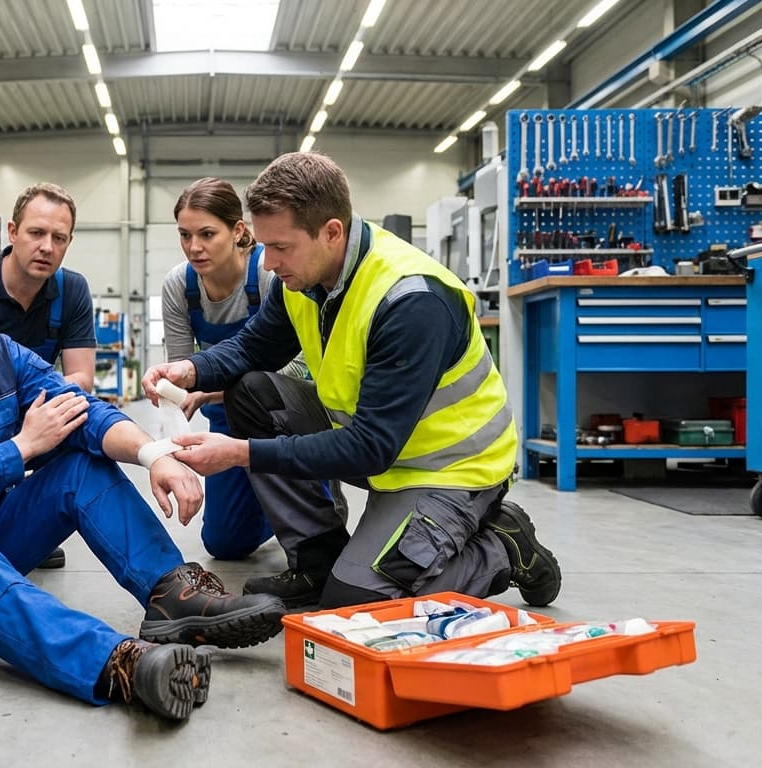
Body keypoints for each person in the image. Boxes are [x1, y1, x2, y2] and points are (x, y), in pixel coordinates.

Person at [0, 225, 285, 722]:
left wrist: (156, 455)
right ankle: (120, 663)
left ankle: (173, 595)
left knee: (78, 465)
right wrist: (21, 447)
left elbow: (84, 411)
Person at [143, 152, 562, 611]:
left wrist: (241, 453)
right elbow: (252, 349)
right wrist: (191, 370)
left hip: (450, 467)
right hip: (383, 451)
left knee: (363, 600)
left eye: (280, 248)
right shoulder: (300, 280)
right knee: (253, 393)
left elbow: (370, 445)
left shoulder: (411, 300)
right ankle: (317, 561)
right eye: (265, 248)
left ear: (332, 232)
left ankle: (503, 545)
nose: (268, 264)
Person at [162, 177, 307, 561]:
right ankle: (266, 511)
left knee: (305, 528)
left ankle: (311, 486)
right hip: (225, 420)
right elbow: (181, 370)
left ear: (238, 230)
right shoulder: (180, 286)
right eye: (185, 235)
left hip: (282, 415)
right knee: (225, 545)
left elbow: (302, 364)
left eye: (207, 234)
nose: (195, 247)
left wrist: (214, 390)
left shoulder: (269, 275)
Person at [0, 182, 97, 570]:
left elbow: (82, 375)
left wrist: (50, 407)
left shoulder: (72, 290)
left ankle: (34, 523)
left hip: (36, 404)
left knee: (81, 427)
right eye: (36, 233)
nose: (46, 246)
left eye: (58, 237)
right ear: (12, 231)